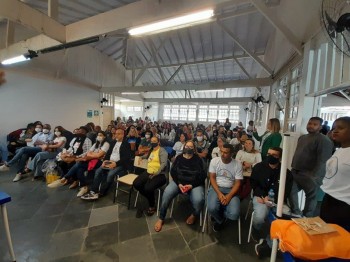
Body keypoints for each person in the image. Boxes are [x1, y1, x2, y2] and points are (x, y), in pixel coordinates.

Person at [154, 140, 206, 232]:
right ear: (184, 147)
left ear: (194, 149)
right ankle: (161, 218)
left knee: (199, 200)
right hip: (179, 183)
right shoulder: (179, 158)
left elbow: (202, 176)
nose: (188, 148)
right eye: (187, 146)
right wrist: (179, 184)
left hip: (194, 185)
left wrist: (191, 185)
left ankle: (194, 215)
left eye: (191, 147)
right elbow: (173, 172)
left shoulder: (199, 160)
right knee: (166, 193)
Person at [252, 147, 293, 258]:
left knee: (283, 220)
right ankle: (256, 231)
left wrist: (274, 200)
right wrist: (262, 196)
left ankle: (268, 244)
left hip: (277, 201)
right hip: (261, 198)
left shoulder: (286, 173)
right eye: (268, 153)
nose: (270, 156)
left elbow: (286, 191)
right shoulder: (258, 167)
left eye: (274, 155)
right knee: (260, 217)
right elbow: (254, 185)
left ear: (279, 157)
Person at [289, 117, 333, 217]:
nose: (311, 126)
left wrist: (315, 176)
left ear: (320, 127)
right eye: (310, 123)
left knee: (311, 197)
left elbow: (323, 160)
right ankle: (296, 213)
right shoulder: (302, 138)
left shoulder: (324, 140)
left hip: (310, 174)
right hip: (295, 171)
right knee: (291, 191)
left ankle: (307, 218)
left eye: (315, 124)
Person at [80, 128, 131, 200]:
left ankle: (102, 192)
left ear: (123, 135)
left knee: (110, 174)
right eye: (115, 134)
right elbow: (108, 153)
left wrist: (115, 164)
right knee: (98, 171)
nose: (116, 135)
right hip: (109, 161)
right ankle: (93, 191)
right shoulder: (113, 142)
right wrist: (104, 161)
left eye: (118, 134)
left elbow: (126, 158)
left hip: (120, 164)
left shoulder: (126, 144)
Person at [320, 117, 350, 231]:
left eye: (341, 128)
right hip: (329, 199)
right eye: (333, 128)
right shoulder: (340, 149)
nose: (335, 131)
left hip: (344, 205)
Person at [207, 144, 243, 232]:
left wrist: (229, 196)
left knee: (234, 214)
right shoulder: (214, 161)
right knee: (211, 208)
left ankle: (218, 214)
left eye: (226, 153)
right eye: (221, 152)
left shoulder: (237, 164)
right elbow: (212, 177)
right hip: (217, 188)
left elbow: (238, 183)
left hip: (231, 189)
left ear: (231, 154)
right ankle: (220, 220)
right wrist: (219, 193)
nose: (222, 154)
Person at [133, 136, 168, 217]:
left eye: (154, 141)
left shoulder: (162, 151)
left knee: (148, 188)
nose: (153, 143)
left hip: (160, 175)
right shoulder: (151, 150)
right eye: (151, 141)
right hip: (148, 172)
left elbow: (164, 164)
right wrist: (141, 157)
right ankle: (150, 198)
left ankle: (152, 205)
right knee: (136, 184)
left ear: (158, 142)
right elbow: (147, 156)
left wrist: (156, 173)